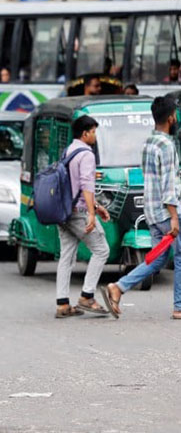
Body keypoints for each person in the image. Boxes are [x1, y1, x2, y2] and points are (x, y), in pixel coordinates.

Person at [102, 96, 181, 320]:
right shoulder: (166, 145)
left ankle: (119, 287)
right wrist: (174, 217)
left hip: (153, 211)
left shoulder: (149, 142)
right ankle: (178, 307)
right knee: (179, 257)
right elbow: (167, 185)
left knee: (157, 259)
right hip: (168, 212)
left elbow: (153, 178)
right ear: (171, 118)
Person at [55, 115, 111, 318]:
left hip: (62, 211)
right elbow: (86, 186)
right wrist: (91, 214)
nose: (95, 136)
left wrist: (96, 206)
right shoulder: (86, 154)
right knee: (102, 250)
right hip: (78, 212)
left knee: (66, 256)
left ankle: (62, 304)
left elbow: (74, 185)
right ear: (85, 133)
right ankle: (87, 296)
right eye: (94, 132)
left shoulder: (68, 150)